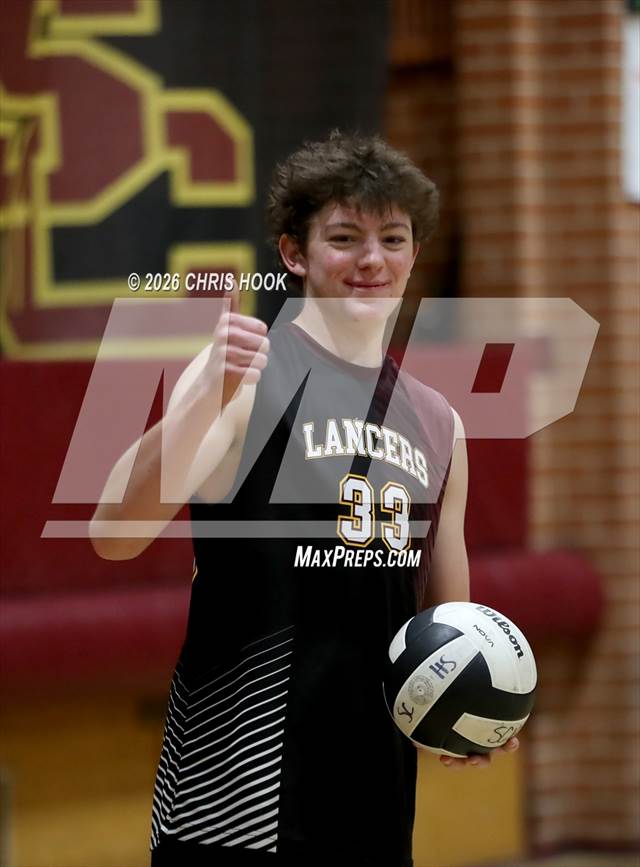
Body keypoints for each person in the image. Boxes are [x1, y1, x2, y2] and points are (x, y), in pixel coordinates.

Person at [91, 132, 518, 867]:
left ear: (414, 254)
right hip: (233, 796)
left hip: (373, 795)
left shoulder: (439, 422)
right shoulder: (244, 376)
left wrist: (473, 702)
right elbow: (113, 534)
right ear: (294, 253)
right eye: (344, 238)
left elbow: (446, 628)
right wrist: (201, 402)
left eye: (393, 238)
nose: (372, 259)